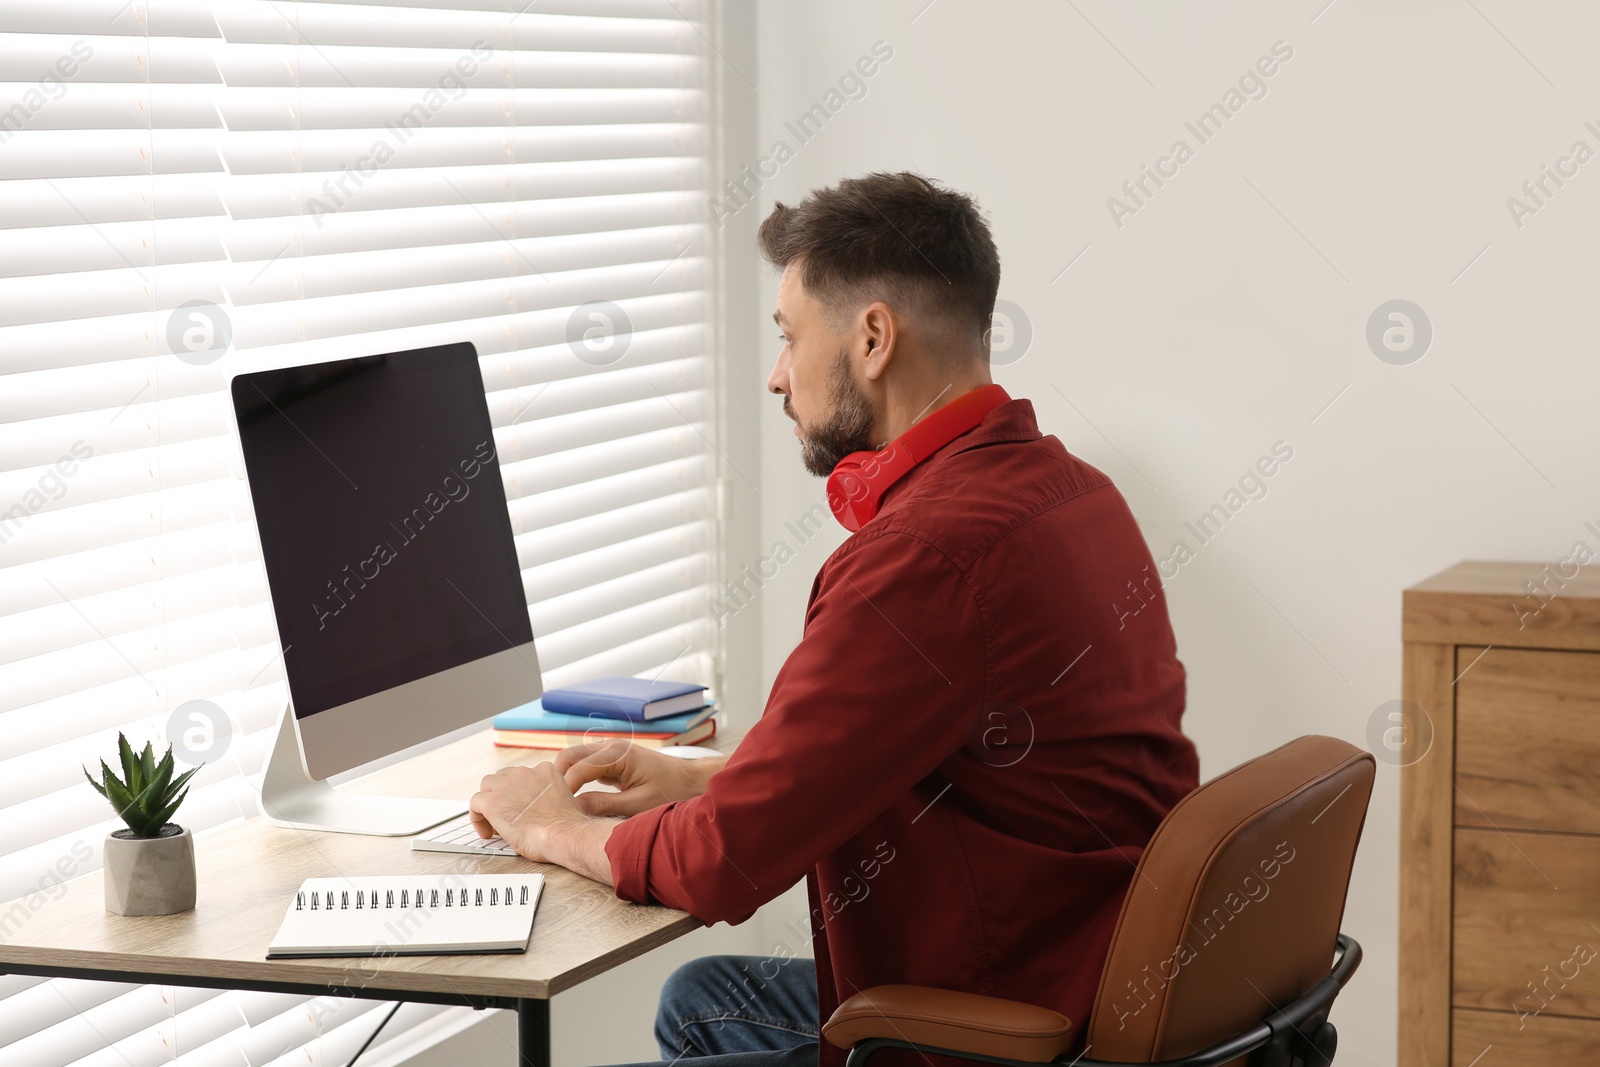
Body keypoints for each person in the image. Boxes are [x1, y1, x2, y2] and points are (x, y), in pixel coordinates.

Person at [469, 172, 1199, 1067]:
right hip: (1095, 972)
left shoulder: (925, 558)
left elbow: (719, 865)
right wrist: (706, 777)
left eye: (787, 337)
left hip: (1004, 1024)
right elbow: (914, 750)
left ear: (873, 337)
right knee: (700, 1002)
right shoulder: (1071, 493)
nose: (777, 377)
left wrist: (543, 821)